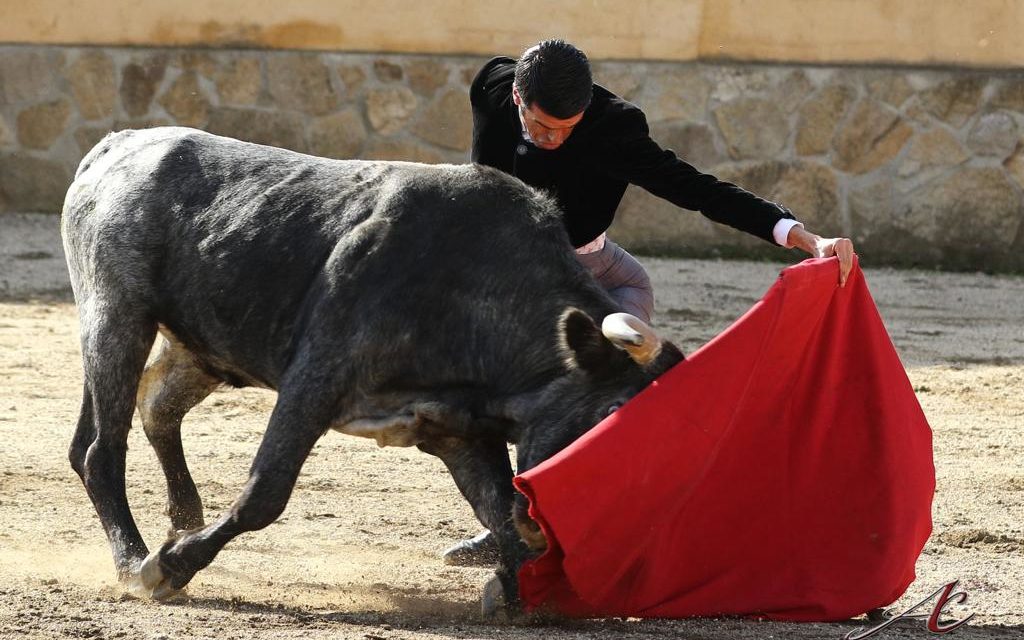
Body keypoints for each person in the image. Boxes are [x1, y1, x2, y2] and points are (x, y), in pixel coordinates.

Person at [442, 39, 855, 566]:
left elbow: (697, 189)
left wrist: (802, 237)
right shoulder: (493, 86)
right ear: (519, 97)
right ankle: (511, 523)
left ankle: (620, 364)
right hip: (509, 280)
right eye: (544, 126)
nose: (554, 140)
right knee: (474, 399)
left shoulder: (614, 128)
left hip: (601, 280)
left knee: (571, 390)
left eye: (568, 129)